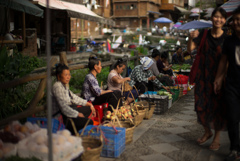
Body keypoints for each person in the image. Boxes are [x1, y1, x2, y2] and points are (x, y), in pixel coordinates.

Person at [187, 7, 227, 151]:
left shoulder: (227, 37)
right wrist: (191, 37)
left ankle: (216, 138)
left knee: (217, 108)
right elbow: (190, 49)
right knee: (200, 106)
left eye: (221, 17)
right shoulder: (204, 34)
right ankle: (207, 131)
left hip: (219, 77)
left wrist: (221, 77)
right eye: (216, 16)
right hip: (202, 76)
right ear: (212, 19)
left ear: (224, 20)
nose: (218, 19)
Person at [214, 6, 240, 161]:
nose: (236, 23)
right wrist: (218, 78)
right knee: (232, 117)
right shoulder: (229, 41)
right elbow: (223, 62)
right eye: (235, 20)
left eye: (239, 20)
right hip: (232, 85)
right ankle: (234, 149)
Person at [52, 63, 95, 134]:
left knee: (88, 109)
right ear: (59, 76)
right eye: (66, 75)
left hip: (69, 112)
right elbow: (63, 107)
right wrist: (77, 114)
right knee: (89, 122)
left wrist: (89, 104)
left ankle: (76, 127)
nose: (68, 77)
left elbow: (74, 98)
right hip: (62, 117)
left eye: (69, 74)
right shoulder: (57, 87)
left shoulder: (64, 86)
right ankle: (73, 131)